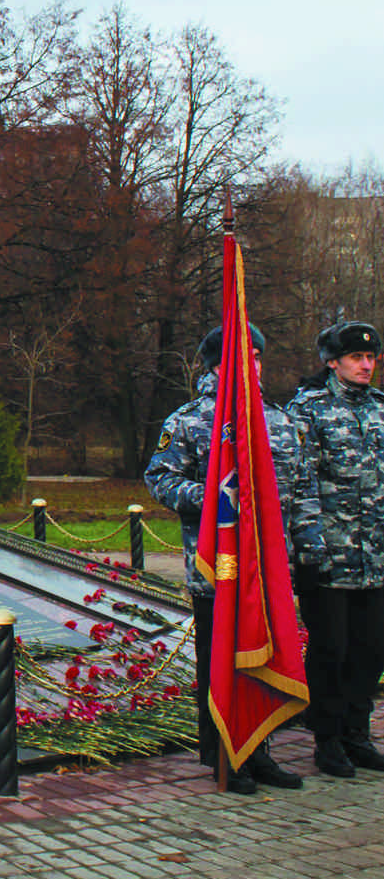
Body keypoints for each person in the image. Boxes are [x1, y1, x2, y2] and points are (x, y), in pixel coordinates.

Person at [144, 324, 316, 793]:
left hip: (267, 570)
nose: (254, 366)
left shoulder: (279, 421)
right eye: (245, 356)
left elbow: (299, 490)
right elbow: (160, 479)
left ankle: (260, 752)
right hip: (217, 570)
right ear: (218, 363)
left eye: (259, 357)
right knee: (220, 663)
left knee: (266, 658)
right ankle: (225, 755)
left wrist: (303, 547)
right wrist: (216, 498)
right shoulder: (190, 420)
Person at [287, 320, 384, 779]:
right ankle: (326, 739)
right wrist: (310, 549)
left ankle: (356, 734)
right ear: (332, 361)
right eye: (356, 358)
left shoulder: (381, 409)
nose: (367, 365)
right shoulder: (307, 411)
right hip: (330, 557)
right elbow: (299, 484)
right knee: (332, 649)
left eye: (371, 358)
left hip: (377, 557)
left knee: (371, 650)